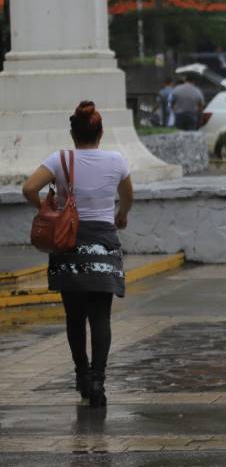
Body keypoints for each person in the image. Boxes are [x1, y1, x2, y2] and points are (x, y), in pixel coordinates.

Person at [21, 101, 133, 408]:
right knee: (100, 316)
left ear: (73, 133)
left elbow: (29, 188)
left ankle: (82, 375)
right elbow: (127, 197)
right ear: (101, 132)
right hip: (103, 245)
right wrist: (121, 215)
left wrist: (49, 211)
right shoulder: (116, 161)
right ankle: (98, 380)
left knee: (74, 317)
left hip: (68, 243)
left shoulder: (60, 159)